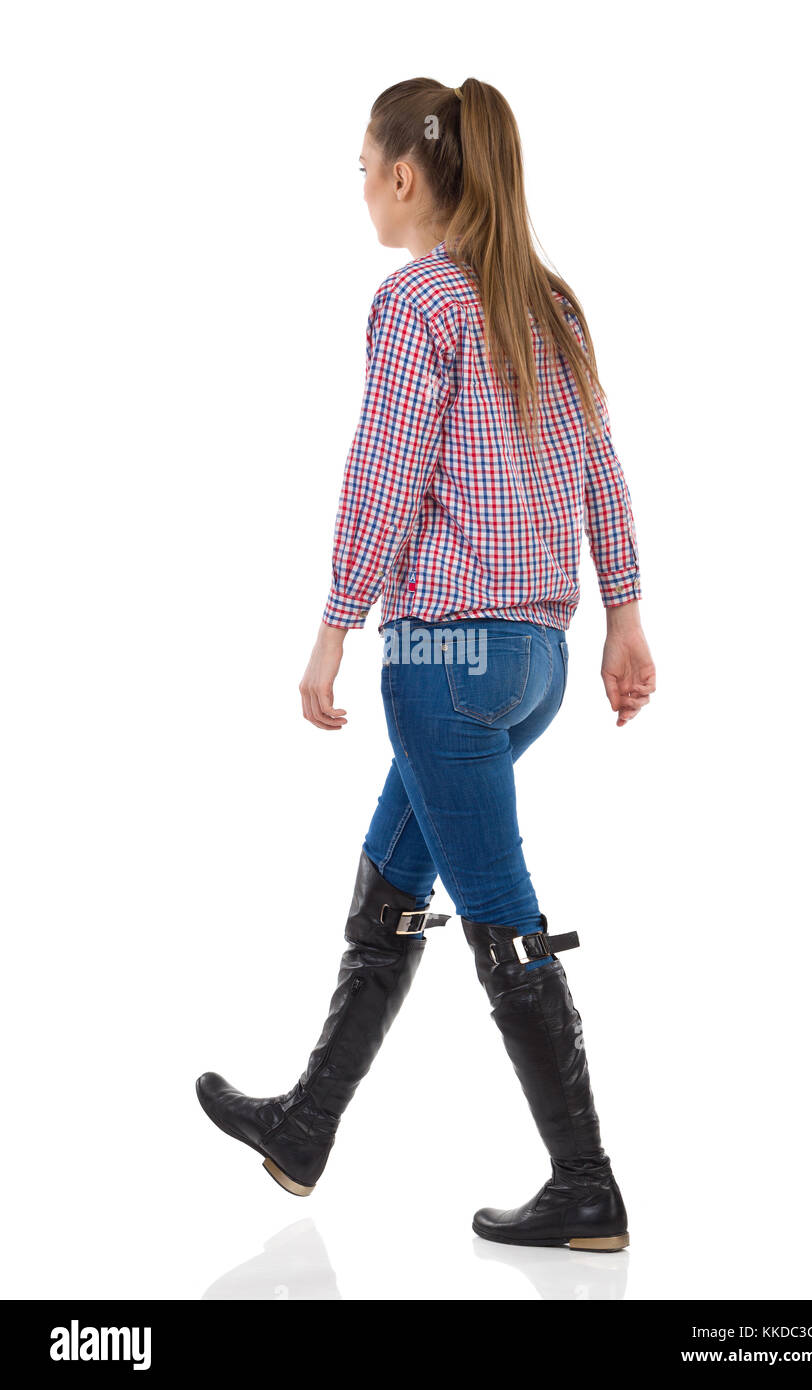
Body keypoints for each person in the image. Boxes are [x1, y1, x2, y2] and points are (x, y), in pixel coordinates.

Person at [197, 77, 656, 1252]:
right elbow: (601, 471)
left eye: (362, 166)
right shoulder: (545, 302)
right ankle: (305, 1125)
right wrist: (623, 617)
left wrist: (333, 627)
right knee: (394, 886)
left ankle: (586, 1182)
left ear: (407, 174)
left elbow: (383, 471)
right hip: (533, 665)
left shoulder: (416, 301)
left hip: (440, 659)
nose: (359, 187)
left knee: (498, 913)